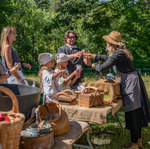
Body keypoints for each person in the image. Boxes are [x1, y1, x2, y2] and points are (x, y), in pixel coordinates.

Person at [89, 31, 150, 149]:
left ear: (111, 44)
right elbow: (108, 58)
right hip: (132, 82)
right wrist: (93, 56)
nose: (106, 45)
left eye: (107, 43)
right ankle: (139, 141)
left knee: (133, 112)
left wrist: (94, 65)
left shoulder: (118, 54)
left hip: (131, 84)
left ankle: (133, 144)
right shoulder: (120, 53)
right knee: (136, 112)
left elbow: (103, 67)